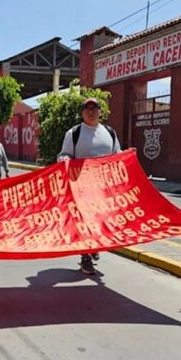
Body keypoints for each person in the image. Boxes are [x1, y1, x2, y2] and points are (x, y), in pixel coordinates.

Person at [57, 97, 121, 275]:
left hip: (103, 188)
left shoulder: (109, 132)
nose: (91, 111)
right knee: (83, 222)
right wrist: (65, 161)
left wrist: (128, 156)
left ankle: (93, 246)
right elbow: (64, 154)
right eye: (87, 109)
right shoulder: (74, 133)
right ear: (82, 113)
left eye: (94, 108)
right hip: (81, 187)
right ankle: (85, 258)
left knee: (99, 219)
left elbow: (117, 155)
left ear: (100, 111)